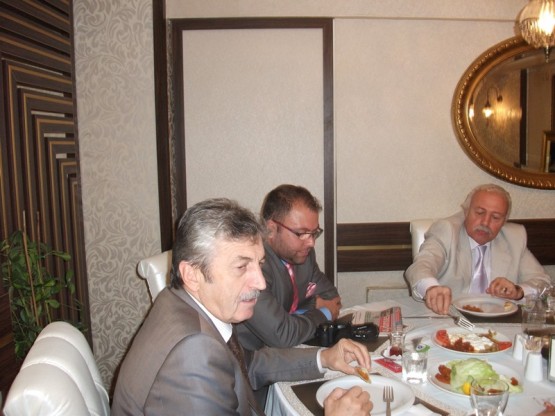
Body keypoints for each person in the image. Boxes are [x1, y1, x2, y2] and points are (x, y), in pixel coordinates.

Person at [111, 198, 373, 416]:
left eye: (259, 264)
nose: (260, 283)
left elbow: (248, 364)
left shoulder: (182, 305)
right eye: (241, 267)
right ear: (192, 274)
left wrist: (324, 358)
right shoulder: (194, 353)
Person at [405, 184, 551, 315]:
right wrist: (431, 288)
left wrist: (518, 291)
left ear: (504, 221)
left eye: (495, 217)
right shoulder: (447, 230)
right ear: (466, 211)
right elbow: (421, 265)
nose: (485, 222)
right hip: (449, 317)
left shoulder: (514, 238)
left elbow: (542, 281)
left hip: (498, 322)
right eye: (480, 213)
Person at [237, 184, 342, 351]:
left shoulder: (303, 255)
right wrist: (324, 313)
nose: (311, 242)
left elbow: (332, 298)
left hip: (285, 352)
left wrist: (308, 307)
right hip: (249, 358)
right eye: (301, 233)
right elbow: (282, 334)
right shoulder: (252, 268)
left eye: (314, 233)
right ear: (271, 229)